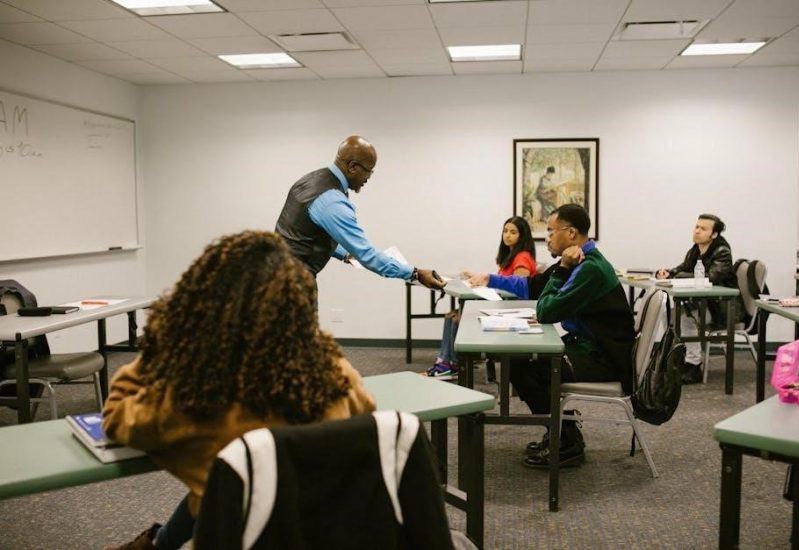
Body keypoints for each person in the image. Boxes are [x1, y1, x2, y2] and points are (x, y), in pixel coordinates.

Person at [102, 231, 376, 550]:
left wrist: (164, 345)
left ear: (206, 299)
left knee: (212, 487)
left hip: (240, 534)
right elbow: (366, 415)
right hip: (324, 530)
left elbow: (117, 416)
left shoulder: (190, 395)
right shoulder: (333, 371)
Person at [466, 204, 635, 469]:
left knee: (523, 367)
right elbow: (535, 287)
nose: (547, 238)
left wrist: (563, 268)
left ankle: (566, 439)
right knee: (523, 362)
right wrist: (491, 279)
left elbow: (545, 311)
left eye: (551, 231)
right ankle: (562, 430)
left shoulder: (589, 268)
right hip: (588, 347)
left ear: (571, 233)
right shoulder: (581, 262)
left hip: (603, 358)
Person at [274, 135, 444, 291]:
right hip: (292, 287)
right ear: (353, 167)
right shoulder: (332, 202)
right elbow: (367, 255)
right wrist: (415, 273)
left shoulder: (309, 180)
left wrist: (346, 254)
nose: (369, 177)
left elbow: (305, 236)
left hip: (275, 277)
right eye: (369, 170)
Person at [428, 216, 537, 379]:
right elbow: (503, 283)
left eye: (513, 232)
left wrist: (485, 283)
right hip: (503, 306)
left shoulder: (522, 257)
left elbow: (518, 290)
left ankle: (454, 363)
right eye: (505, 231)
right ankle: (446, 361)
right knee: (451, 315)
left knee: (457, 318)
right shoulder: (511, 255)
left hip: (512, 310)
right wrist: (477, 278)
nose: (507, 235)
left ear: (522, 236)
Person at [655, 214, 737, 383]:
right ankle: (677, 356)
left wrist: (679, 275)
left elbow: (712, 277)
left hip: (721, 307)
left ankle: (694, 365)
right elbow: (683, 268)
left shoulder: (722, 251)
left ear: (714, 234)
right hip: (703, 304)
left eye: (703, 228)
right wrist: (667, 273)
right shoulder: (696, 249)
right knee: (667, 312)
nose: (697, 231)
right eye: (697, 227)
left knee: (686, 318)